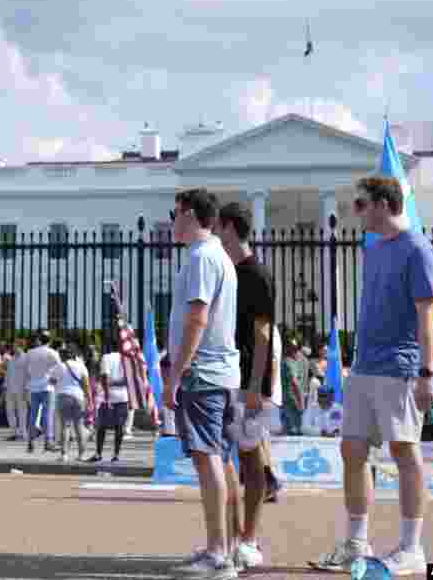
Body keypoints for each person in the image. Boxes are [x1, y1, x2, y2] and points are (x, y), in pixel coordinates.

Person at [311, 176, 433, 575]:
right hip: (365, 367)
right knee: (351, 450)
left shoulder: (417, 247)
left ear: (384, 204)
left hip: (400, 368)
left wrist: (427, 372)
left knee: (404, 451)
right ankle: (356, 542)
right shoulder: (375, 248)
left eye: (361, 203)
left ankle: (411, 547)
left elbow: (428, 314)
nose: (356, 210)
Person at [163, 188, 240, 580]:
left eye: (174, 213)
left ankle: (218, 553)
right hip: (219, 373)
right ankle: (223, 547)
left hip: (202, 375)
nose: (172, 221)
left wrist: (174, 375)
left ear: (190, 214)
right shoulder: (218, 256)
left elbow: (197, 318)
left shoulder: (200, 257)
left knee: (207, 459)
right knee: (218, 460)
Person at [216, 200, 285, 569]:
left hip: (248, 381)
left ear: (229, 227)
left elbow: (262, 333)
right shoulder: (229, 270)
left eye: (218, 227)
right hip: (229, 377)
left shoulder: (256, 274)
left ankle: (249, 539)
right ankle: (236, 539)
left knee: (251, 457)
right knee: (235, 457)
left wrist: (257, 385)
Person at [88, 342, 129, 463]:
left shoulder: (106, 358)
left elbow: (105, 377)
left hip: (108, 397)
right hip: (123, 396)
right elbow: (128, 379)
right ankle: (116, 454)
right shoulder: (126, 358)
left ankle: (98, 453)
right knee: (119, 427)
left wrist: (106, 394)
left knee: (102, 427)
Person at [48, 344, 90, 462]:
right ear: (74, 355)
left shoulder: (59, 366)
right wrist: (89, 400)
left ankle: (64, 454)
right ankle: (81, 454)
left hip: (62, 397)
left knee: (65, 426)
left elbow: (51, 382)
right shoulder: (81, 366)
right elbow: (86, 384)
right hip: (78, 397)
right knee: (79, 426)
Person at [24, 331, 61, 454]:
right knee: (47, 415)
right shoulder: (52, 353)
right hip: (47, 386)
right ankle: (48, 442)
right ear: (49, 340)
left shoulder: (30, 353)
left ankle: (30, 441)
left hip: (34, 386)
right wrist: (54, 378)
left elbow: (27, 369)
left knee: (33, 415)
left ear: (39, 340)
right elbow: (60, 367)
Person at [280, 338, 307, 435]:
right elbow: (295, 383)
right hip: (293, 402)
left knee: (288, 431)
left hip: (287, 401)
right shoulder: (288, 363)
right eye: (294, 349)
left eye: (297, 349)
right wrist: (301, 402)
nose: (297, 352)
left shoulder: (287, 362)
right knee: (296, 431)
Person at [4, 339, 29, 441]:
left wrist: (27, 389)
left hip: (21, 389)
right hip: (10, 389)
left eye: (15, 345)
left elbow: (28, 375)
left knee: (22, 412)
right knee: (10, 411)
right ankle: (13, 432)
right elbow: (8, 374)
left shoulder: (26, 358)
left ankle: (23, 433)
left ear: (21, 346)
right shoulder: (11, 358)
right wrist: (5, 387)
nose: (13, 347)